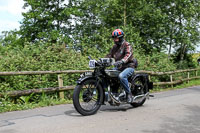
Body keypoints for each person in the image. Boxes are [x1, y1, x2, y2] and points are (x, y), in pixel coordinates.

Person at [106, 29, 136, 103]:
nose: (115, 40)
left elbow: (128, 54)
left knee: (121, 76)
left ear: (121, 37)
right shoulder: (114, 47)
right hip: (119, 67)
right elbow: (109, 55)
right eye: (114, 38)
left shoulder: (127, 45)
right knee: (107, 73)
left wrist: (122, 61)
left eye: (116, 38)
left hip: (128, 66)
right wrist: (102, 60)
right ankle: (114, 92)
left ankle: (129, 94)